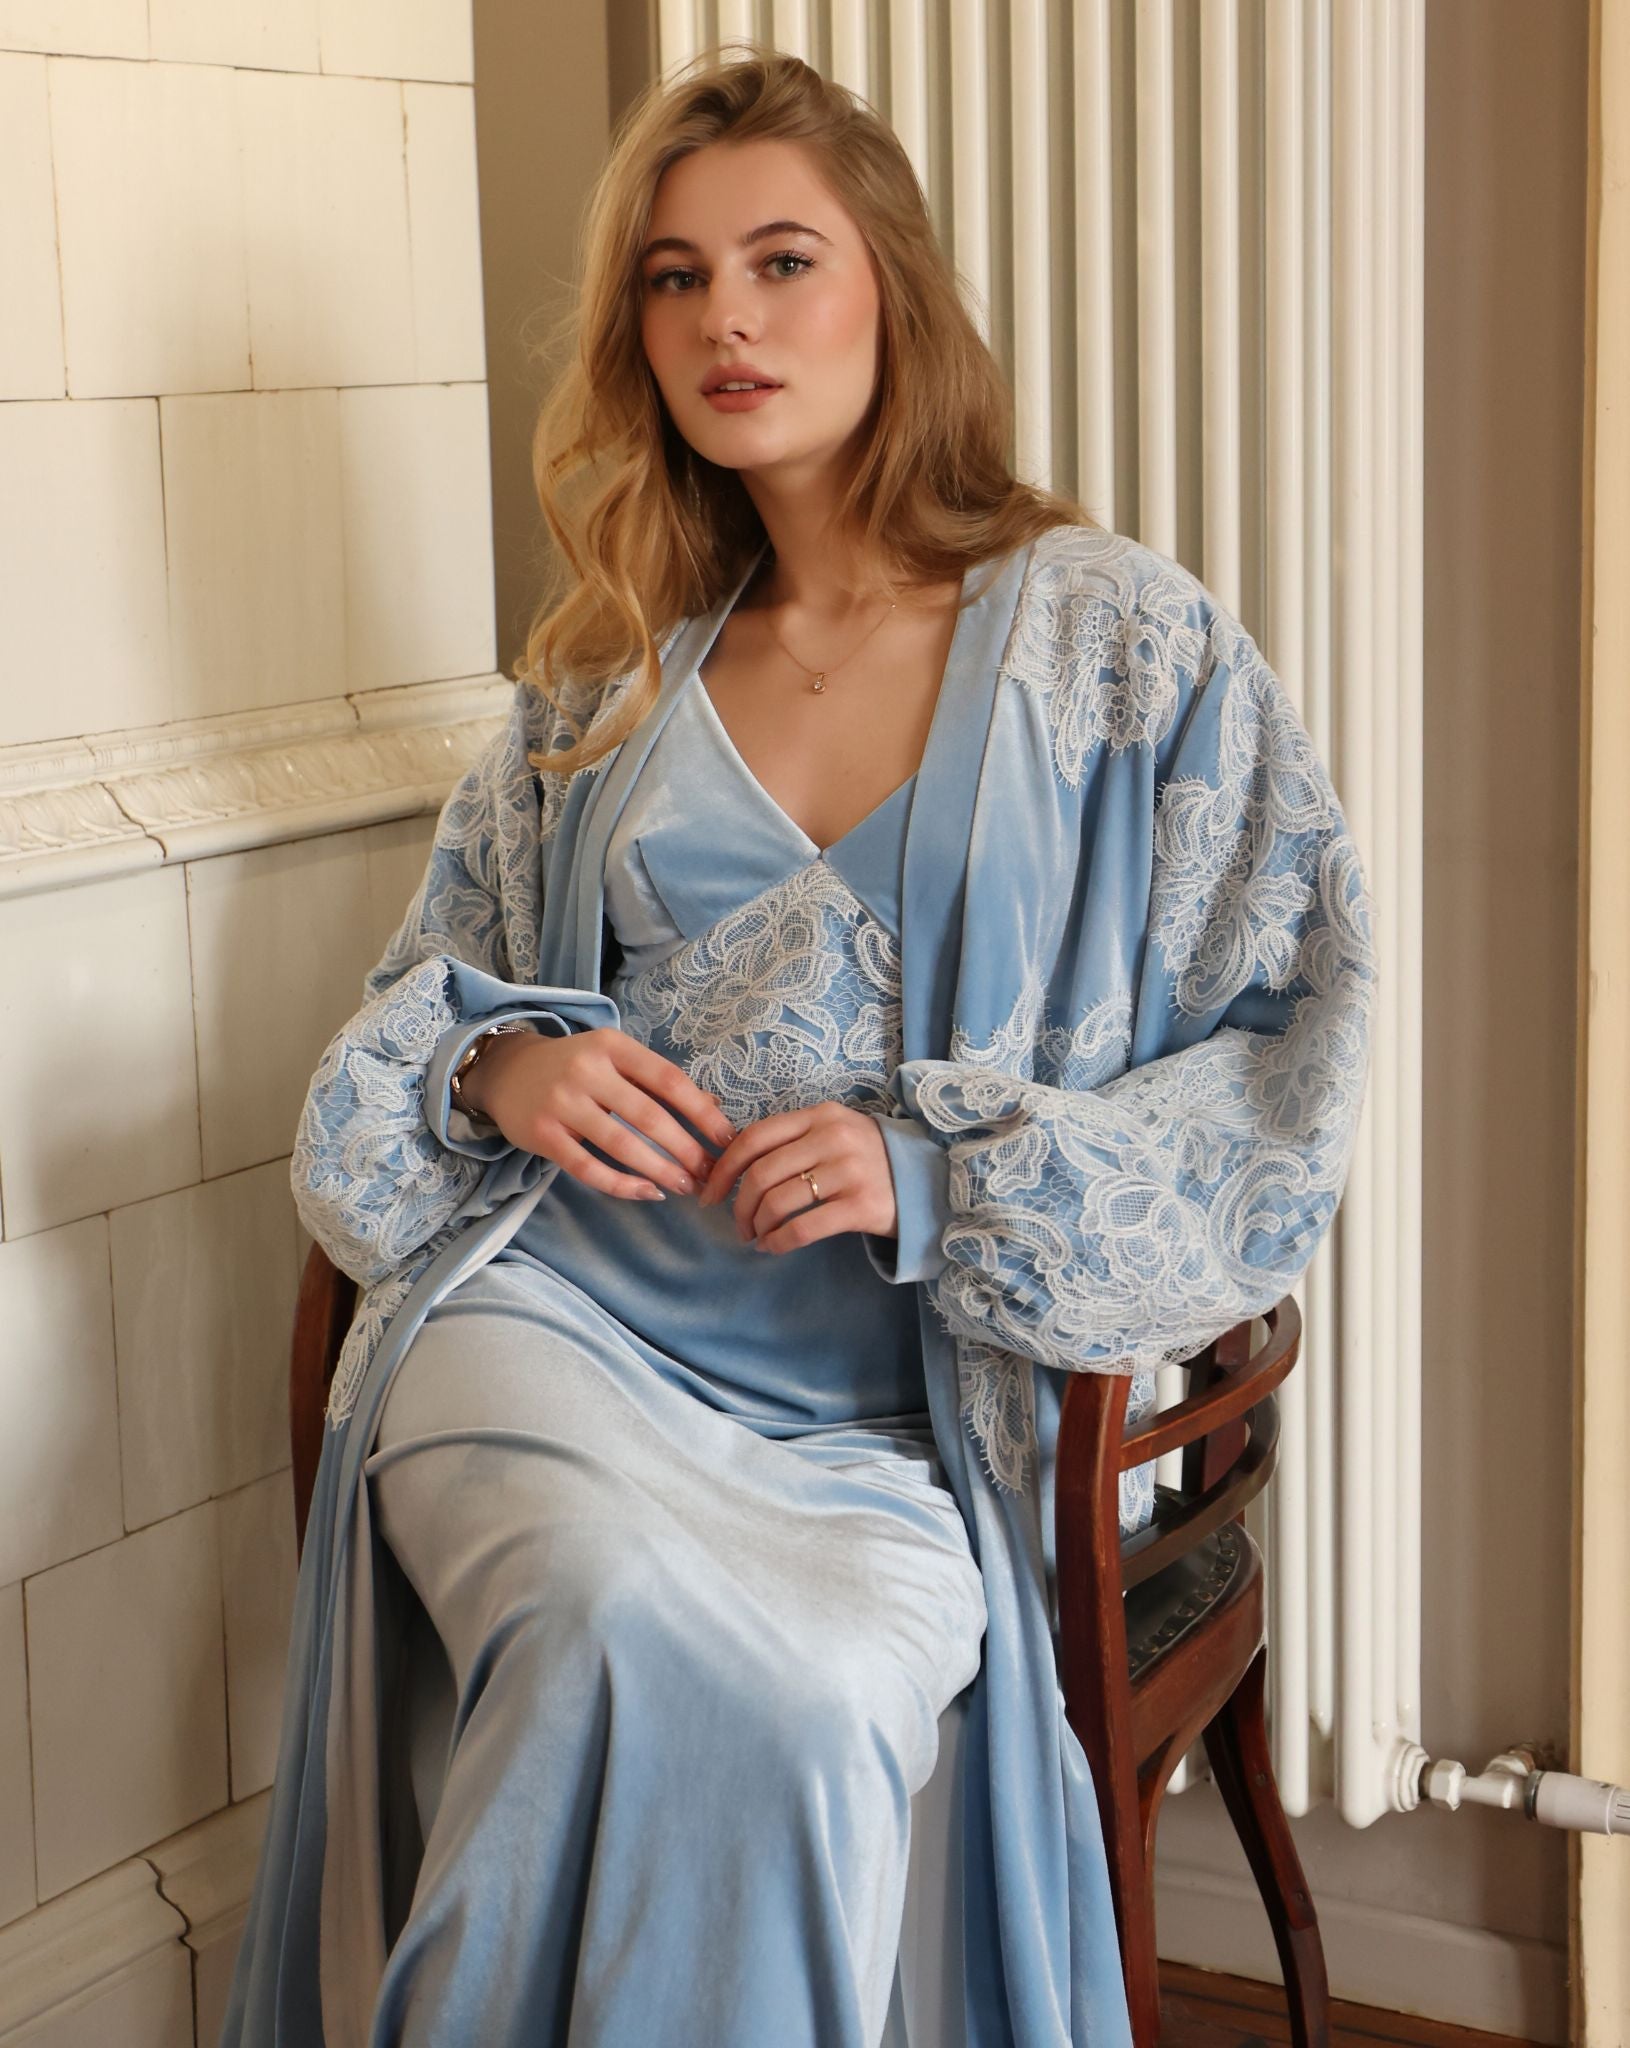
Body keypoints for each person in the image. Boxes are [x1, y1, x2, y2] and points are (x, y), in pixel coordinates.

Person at [221, 44, 1376, 2048]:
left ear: (892, 296)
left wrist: (943, 1175)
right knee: (589, 1612)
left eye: (779, 259)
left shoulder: (1118, 642)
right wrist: (500, 1067)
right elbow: (413, 1016)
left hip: (899, 1420)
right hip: (558, 1334)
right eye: (673, 278)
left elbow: (1288, 1062)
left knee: (804, 1688)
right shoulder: (607, 664)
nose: (725, 320)